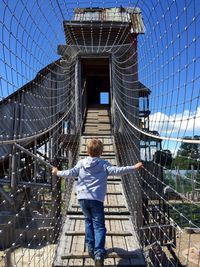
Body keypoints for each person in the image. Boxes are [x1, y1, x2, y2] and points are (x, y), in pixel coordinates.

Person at [52, 139, 143, 267]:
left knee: (88, 222)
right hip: (96, 199)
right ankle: (99, 252)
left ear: (87, 151)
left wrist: (57, 172)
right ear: (101, 152)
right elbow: (118, 171)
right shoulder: (104, 164)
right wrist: (134, 168)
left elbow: (70, 173)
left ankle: (90, 248)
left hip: (82, 198)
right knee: (99, 226)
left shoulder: (81, 163)